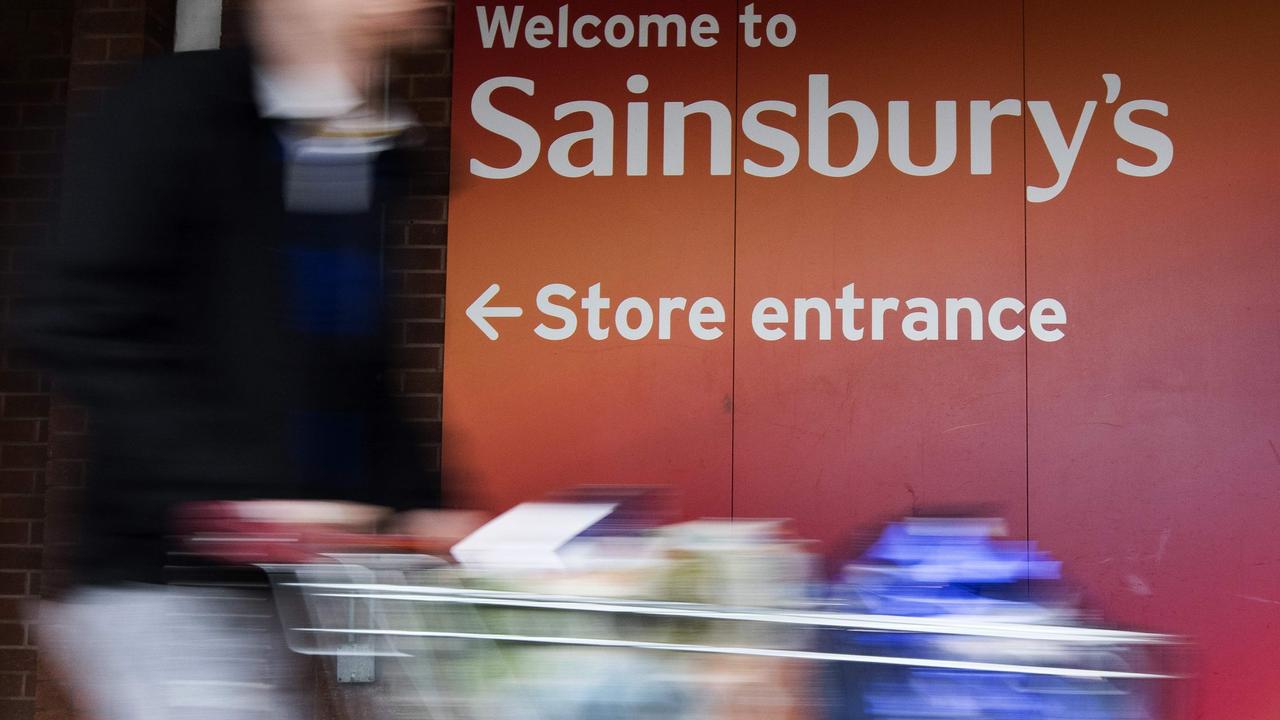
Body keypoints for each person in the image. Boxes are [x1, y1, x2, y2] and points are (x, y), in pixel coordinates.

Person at [21, 1, 455, 717]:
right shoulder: (170, 110)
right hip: (164, 575)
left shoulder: (364, 153)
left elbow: (361, 375)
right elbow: (73, 314)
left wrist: (429, 503)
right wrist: (236, 491)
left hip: (313, 577)